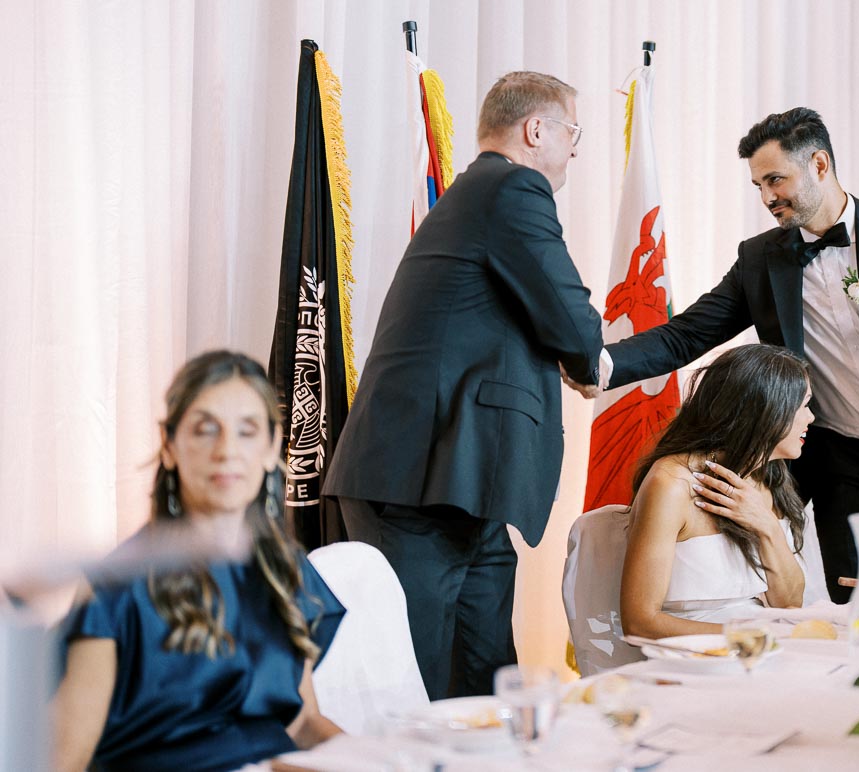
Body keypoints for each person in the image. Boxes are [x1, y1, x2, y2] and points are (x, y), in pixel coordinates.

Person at [604, 107, 859, 603]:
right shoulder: (759, 259)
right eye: (759, 186)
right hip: (844, 469)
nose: (768, 197)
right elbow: (686, 335)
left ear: (819, 164)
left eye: (776, 179)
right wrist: (599, 363)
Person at [323, 71, 604, 699]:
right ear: (537, 130)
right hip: (416, 487)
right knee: (412, 690)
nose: (577, 149)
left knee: (484, 686)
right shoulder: (514, 188)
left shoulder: (478, 195)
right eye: (573, 131)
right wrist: (592, 358)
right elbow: (573, 322)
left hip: (463, 488)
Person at [50, 351, 345, 772]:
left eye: (247, 431)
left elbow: (301, 722)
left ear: (271, 448)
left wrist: (377, 759)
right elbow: (63, 759)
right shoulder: (117, 586)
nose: (227, 450)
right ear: (169, 445)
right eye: (206, 430)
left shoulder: (285, 570)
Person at [620, 345, 808, 638]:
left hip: (761, 653)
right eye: (803, 406)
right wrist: (750, 639)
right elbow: (639, 623)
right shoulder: (671, 484)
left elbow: (790, 603)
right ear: (768, 410)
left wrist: (767, 526)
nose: (810, 418)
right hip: (688, 661)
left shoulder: (768, 478)